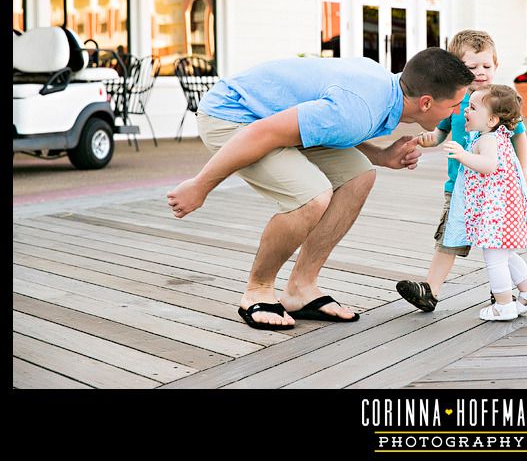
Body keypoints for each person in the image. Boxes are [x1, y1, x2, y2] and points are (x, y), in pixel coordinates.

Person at [165, 48, 474, 330]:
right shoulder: (361, 107)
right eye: (455, 104)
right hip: (233, 117)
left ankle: (301, 288)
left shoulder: (384, 94)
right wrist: (200, 186)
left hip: (268, 120)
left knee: (360, 174)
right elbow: (263, 132)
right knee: (310, 196)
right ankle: (257, 289)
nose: (457, 111)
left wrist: (380, 156)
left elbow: (330, 127)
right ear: (426, 103)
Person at [395, 30, 527, 312]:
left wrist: (524, 169)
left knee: (498, 242)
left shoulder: (500, 101)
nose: (481, 73)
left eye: (487, 66)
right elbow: (441, 133)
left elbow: (519, 135)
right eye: (472, 68)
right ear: (457, 69)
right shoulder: (454, 102)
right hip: (459, 186)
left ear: (496, 65)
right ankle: (429, 290)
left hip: (496, 189)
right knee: (449, 237)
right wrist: (424, 140)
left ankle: (506, 292)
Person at [441, 84, 527, 321]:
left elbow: (489, 165)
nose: (467, 110)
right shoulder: (494, 135)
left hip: (497, 210)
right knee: (505, 253)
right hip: (504, 207)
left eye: (473, 108)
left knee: (494, 257)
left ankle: (504, 305)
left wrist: (462, 155)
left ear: (491, 120)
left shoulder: (488, 139)